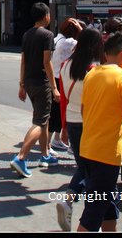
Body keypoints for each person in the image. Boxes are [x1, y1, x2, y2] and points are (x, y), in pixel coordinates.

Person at [77, 31, 122, 232]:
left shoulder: (92, 73)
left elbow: (84, 110)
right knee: (93, 213)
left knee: (107, 205)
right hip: (107, 154)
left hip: (87, 149)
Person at [55, 27, 104, 231]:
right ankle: (89, 216)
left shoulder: (66, 66)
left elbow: (64, 99)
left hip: (73, 123)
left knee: (84, 168)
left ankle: (77, 207)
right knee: (93, 171)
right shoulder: (93, 70)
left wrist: (64, 126)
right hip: (90, 123)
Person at [9, 2, 60, 178]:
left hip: (29, 83)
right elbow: (47, 62)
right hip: (41, 82)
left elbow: (23, 61)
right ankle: (21, 157)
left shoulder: (27, 34)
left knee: (43, 119)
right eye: (49, 14)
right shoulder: (47, 35)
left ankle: (45, 154)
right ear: (45, 16)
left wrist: (21, 85)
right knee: (40, 121)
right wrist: (54, 88)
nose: (50, 17)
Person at [49, 18, 82, 152]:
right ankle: (54, 141)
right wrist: (82, 31)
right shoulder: (69, 43)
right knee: (61, 113)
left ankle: (56, 139)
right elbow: (87, 45)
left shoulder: (56, 39)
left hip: (55, 77)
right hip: (63, 78)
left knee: (56, 112)